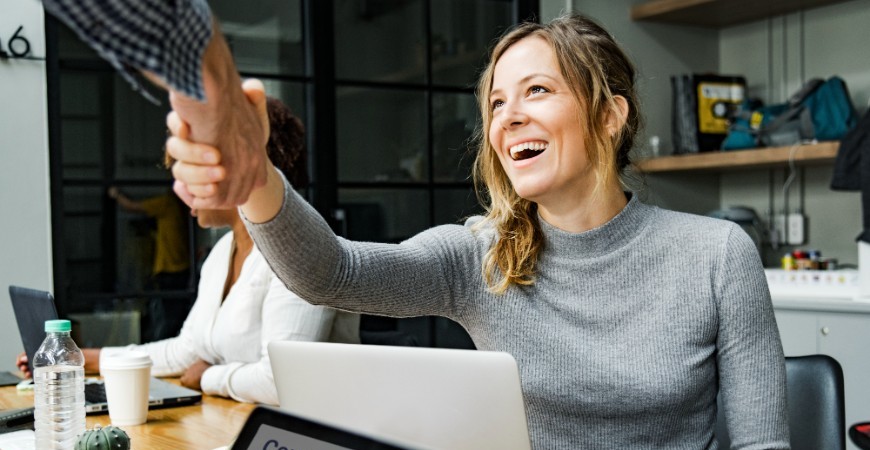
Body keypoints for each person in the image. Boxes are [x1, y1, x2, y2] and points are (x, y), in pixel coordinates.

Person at [38, 3, 788, 448]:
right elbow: (334, 273)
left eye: (536, 91)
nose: (509, 116)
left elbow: (760, 445)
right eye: (496, 102)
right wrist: (256, 174)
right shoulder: (480, 255)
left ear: (609, 112)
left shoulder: (716, 255)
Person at [18, 98, 360, 405]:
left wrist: (208, 376)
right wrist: (81, 359)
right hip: (237, 421)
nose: (180, 185)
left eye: (192, 167)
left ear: (241, 167)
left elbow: (279, 382)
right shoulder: (222, 252)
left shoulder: (301, 249)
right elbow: (187, 352)